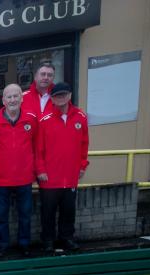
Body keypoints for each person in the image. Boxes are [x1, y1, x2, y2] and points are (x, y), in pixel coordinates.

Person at [36, 82, 89, 253]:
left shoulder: (81, 117)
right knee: (48, 213)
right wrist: (41, 170)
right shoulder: (44, 120)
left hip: (70, 176)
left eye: (64, 94)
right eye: (57, 96)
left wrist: (82, 166)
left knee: (68, 212)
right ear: (52, 98)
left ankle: (67, 238)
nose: (61, 98)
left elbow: (84, 144)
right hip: (50, 178)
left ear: (70, 95)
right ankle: (48, 241)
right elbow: (38, 149)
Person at [0, 84, 39, 257]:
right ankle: (3, 245)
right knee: (2, 216)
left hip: (24, 177)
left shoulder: (31, 119)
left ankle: (24, 243)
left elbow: (37, 146)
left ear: (21, 98)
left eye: (16, 96)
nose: (13, 100)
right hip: (2, 179)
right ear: (3, 100)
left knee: (25, 214)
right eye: (9, 97)